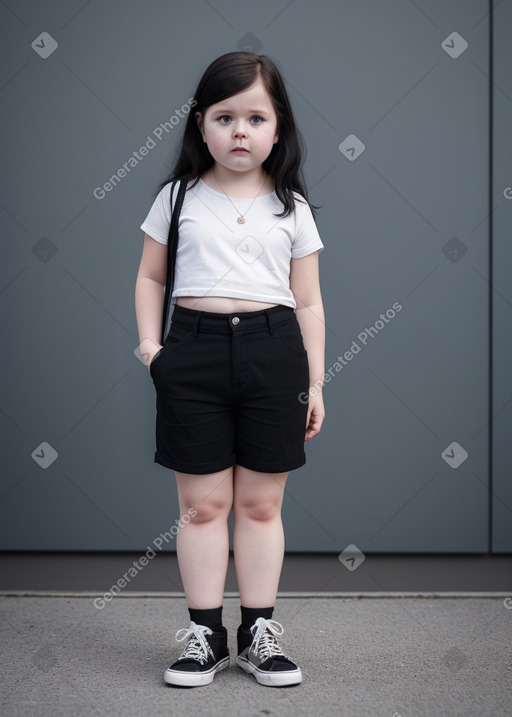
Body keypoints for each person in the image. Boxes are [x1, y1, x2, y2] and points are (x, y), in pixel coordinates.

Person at [135, 51, 326, 688]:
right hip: (193, 352)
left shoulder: (292, 207)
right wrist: (151, 350)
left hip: (276, 356)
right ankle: (204, 635)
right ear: (200, 125)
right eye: (224, 117)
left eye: (255, 117)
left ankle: (261, 632)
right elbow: (150, 276)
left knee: (262, 505)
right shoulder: (177, 196)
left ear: (278, 129)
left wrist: (316, 381)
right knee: (201, 508)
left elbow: (308, 301)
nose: (239, 131)